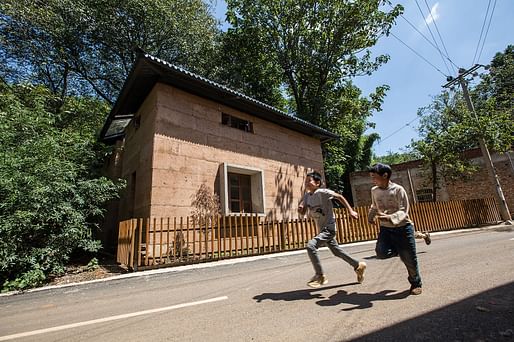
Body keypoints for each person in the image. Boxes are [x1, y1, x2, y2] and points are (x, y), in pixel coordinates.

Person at [298, 171, 367, 288]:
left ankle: (320, 275)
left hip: (329, 228)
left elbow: (339, 197)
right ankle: (358, 266)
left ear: (317, 182)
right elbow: (303, 211)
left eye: (309, 180)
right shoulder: (306, 196)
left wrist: (350, 210)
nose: (306, 183)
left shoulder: (323, 192)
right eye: (305, 181)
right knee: (336, 251)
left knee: (311, 246)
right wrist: (300, 209)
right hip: (322, 230)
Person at [367, 163, 423, 295]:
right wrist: (371, 216)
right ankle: (400, 252)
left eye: (374, 177)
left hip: (403, 228)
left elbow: (403, 211)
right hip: (386, 229)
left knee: (410, 259)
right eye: (371, 177)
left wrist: (388, 217)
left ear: (385, 175)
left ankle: (416, 283)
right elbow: (374, 206)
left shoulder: (398, 190)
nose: (372, 180)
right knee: (381, 252)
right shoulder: (374, 190)